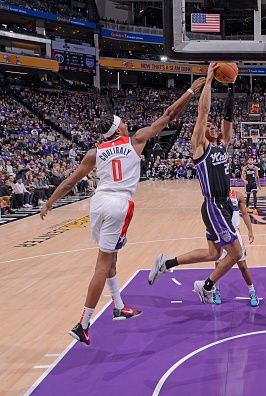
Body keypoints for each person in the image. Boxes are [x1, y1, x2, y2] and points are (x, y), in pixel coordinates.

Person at [40, 77, 206, 345]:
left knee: (111, 257)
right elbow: (168, 115)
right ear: (119, 128)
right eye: (123, 122)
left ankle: (118, 307)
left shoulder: (94, 152)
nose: (128, 124)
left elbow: (71, 181)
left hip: (99, 203)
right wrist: (190, 91)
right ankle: (82, 324)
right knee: (102, 265)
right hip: (119, 205)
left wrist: (50, 202)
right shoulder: (135, 140)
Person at [148, 63, 245, 306]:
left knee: (214, 253)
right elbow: (203, 112)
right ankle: (207, 285)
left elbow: (228, 118)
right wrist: (210, 81)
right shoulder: (200, 147)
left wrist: (231, 88)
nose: (212, 127)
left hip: (222, 206)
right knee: (236, 253)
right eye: (209, 127)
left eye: (214, 127)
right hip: (213, 206)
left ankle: (166, 263)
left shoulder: (223, 144)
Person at [212, 189, 258, 306]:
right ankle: (216, 290)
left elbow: (245, 214)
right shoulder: (215, 194)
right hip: (221, 233)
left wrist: (250, 231)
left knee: (243, 266)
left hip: (235, 234)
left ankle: (252, 291)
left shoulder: (237, 195)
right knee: (219, 265)